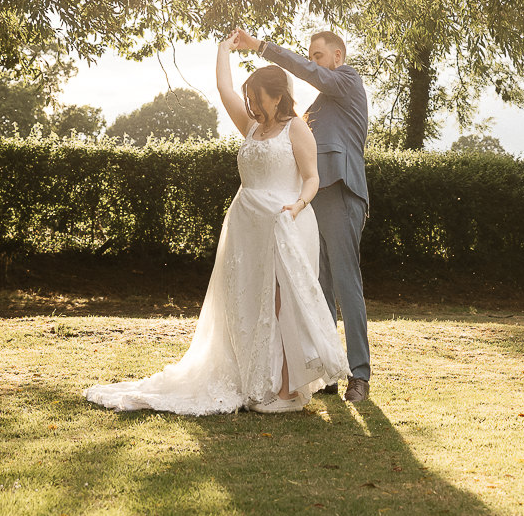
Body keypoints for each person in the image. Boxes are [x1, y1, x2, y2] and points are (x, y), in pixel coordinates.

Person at [84, 45, 349, 415]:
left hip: (284, 223)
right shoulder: (252, 127)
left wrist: (298, 205)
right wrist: (224, 49)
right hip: (246, 224)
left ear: (278, 96)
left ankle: (288, 392)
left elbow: (311, 178)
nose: (252, 107)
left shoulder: (297, 127)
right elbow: (224, 89)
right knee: (246, 301)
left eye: (258, 99)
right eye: (250, 100)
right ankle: (255, 381)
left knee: (282, 303)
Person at [227, 26, 371, 404]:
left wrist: (260, 46)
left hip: (339, 188)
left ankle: (360, 374)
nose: (312, 63)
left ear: (338, 57)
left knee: (344, 281)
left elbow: (309, 75)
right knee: (315, 284)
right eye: (310, 57)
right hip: (307, 202)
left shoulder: (347, 80)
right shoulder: (313, 109)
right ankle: (327, 370)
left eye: (318, 56)